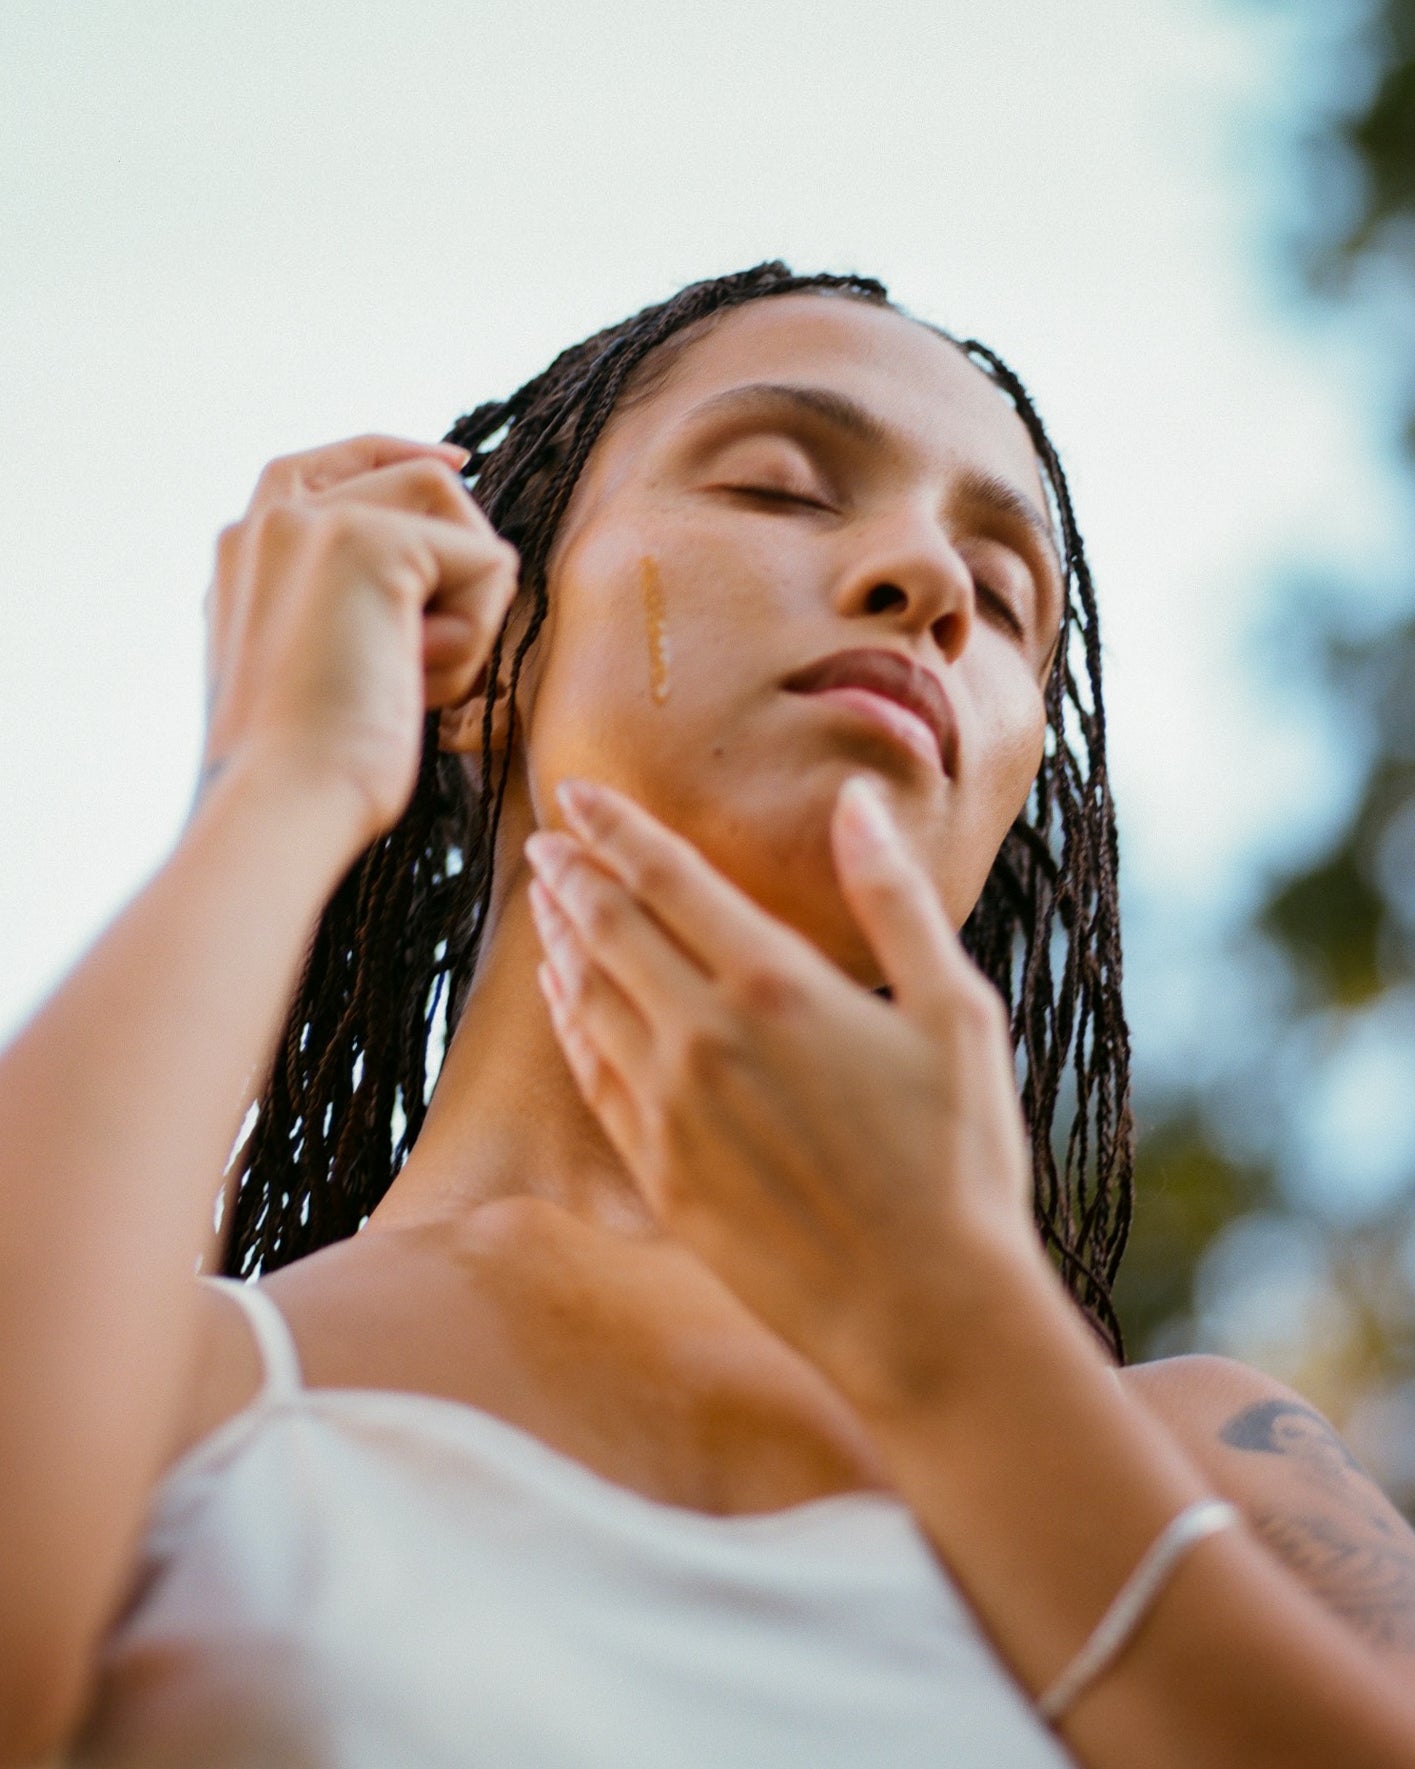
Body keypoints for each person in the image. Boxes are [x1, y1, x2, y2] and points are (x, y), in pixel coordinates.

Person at [1, 262, 1412, 1768]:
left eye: (1004, 600)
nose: (929, 583)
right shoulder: (174, 1395)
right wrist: (286, 776)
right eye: (781, 487)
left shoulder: (1213, 1460)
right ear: (486, 655)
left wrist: (959, 1345)